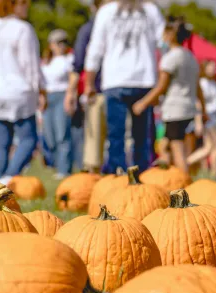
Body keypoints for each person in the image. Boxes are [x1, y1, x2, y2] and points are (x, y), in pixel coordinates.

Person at [84, 0, 165, 174]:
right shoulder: (150, 10)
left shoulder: (106, 11)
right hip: (142, 80)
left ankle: (118, 174)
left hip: (118, 81)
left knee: (116, 136)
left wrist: (89, 82)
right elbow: (164, 45)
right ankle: (141, 174)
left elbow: (95, 49)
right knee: (142, 137)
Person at [0, 0, 43, 183]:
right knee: (28, 139)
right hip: (18, 92)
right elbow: (30, 65)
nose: (27, 6)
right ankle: (9, 178)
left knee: (1, 145)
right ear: (12, 4)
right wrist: (40, 89)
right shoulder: (22, 29)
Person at [132, 16, 203, 173]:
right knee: (166, 145)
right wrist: (203, 110)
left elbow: (161, 86)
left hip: (175, 110)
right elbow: (198, 88)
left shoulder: (170, 58)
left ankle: (184, 183)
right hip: (189, 108)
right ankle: (168, 174)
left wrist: (143, 102)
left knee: (177, 147)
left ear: (170, 35)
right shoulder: (191, 57)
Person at [65, 0, 106, 173]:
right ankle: (93, 177)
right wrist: (70, 92)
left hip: (123, 89)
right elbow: (78, 64)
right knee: (93, 142)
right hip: (97, 91)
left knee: (123, 141)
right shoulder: (89, 30)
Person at [41, 29, 76, 178]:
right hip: (48, 98)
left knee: (62, 135)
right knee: (50, 136)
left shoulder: (68, 60)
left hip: (62, 95)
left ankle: (64, 169)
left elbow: (73, 78)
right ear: (51, 45)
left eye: (64, 42)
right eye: (58, 42)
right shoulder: (46, 62)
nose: (61, 45)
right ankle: (56, 166)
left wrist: (69, 96)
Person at [186, 60, 216, 177]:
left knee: (209, 147)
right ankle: (215, 172)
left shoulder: (214, 83)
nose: (214, 69)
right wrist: (198, 121)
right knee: (215, 145)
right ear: (205, 69)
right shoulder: (203, 83)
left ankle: (185, 162)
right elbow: (198, 103)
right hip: (209, 115)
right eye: (212, 67)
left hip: (214, 115)